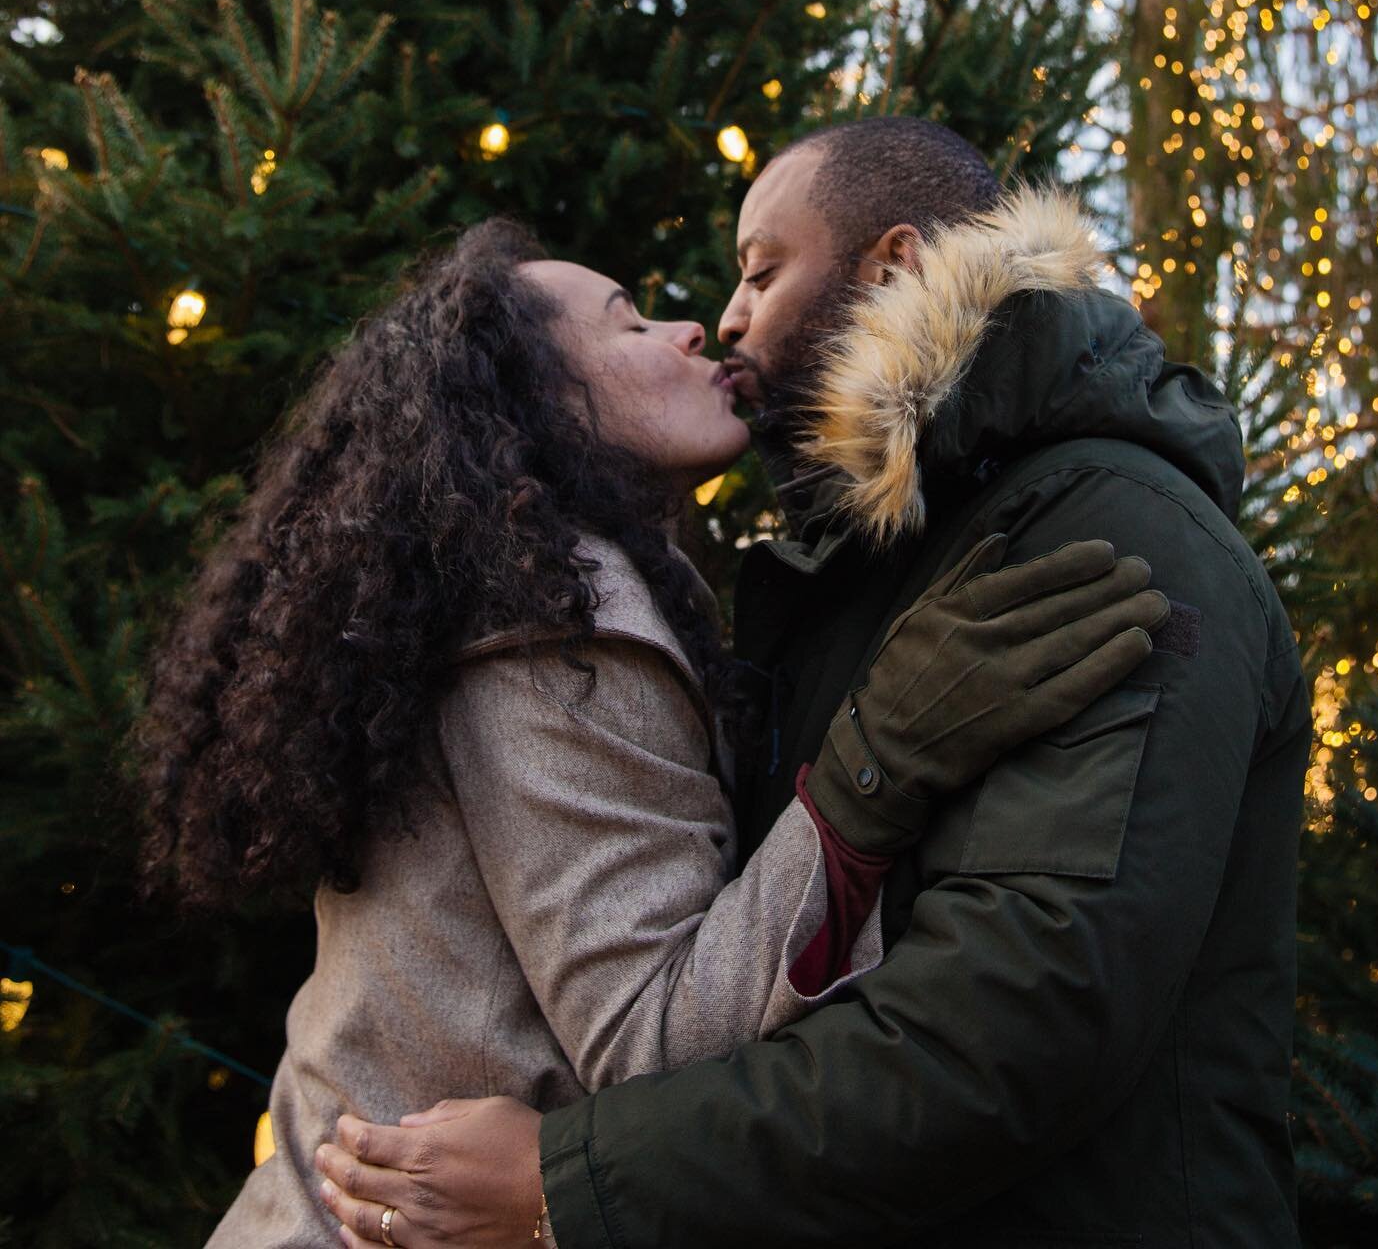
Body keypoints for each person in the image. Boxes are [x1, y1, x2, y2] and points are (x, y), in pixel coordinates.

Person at [319, 120, 1311, 1249]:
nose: (725, 317)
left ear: (892, 266)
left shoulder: (1107, 532)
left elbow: (1022, 1021)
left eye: (761, 269)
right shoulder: (858, 571)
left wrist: (574, 1186)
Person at [137, 214, 1164, 1248]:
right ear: (535, 404)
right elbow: (654, 1039)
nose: (693, 330)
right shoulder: (558, 626)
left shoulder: (538, 589)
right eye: (630, 323)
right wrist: (876, 767)